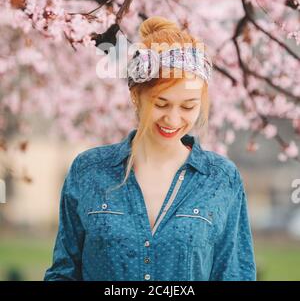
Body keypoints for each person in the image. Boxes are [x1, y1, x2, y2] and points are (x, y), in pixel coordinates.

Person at [44, 16, 256, 281]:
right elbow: (64, 273)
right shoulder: (89, 170)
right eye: (161, 104)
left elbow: (234, 274)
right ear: (136, 97)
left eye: (188, 106)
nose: (173, 119)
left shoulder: (221, 178)